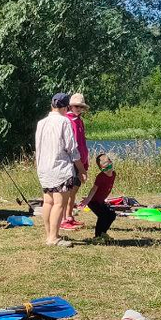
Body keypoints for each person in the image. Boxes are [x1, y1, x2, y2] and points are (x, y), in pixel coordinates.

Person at [35, 93, 85, 247]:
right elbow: (72, 149)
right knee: (59, 203)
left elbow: (38, 146)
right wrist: (81, 169)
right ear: (65, 107)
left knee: (47, 202)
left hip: (44, 167)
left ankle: (49, 234)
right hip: (60, 168)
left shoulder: (41, 123)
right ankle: (53, 237)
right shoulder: (65, 122)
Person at [62, 93, 90, 231]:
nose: (78, 109)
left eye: (81, 107)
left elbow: (82, 143)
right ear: (70, 106)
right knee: (67, 191)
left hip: (81, 160)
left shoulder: (79, 121)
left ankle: (69, 216)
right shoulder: (67, 120)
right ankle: (63, 218)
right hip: (72, 161)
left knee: (74, 191)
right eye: (76, 106)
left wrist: (85, 163)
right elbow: (70, 146)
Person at [78, 152, 118, 242]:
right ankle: (97, 236)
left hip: (100, 201)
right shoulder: (100, 177)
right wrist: (88, 199)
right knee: (103, 216)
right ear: (101, 169)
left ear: (111, 163)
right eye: (104, 169)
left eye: (109, 166)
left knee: (111, 215)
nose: (108, 170)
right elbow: (94, 189)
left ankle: (103, 233)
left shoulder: (114, 174)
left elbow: (106, 188)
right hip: (93, 202)